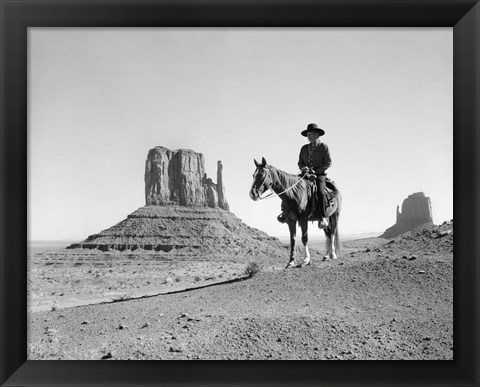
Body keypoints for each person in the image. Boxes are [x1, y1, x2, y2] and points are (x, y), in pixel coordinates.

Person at [277, 123, 332, 228]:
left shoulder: (323, 147)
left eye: (310, 134)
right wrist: (303, 168)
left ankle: (322, 217)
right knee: (290, 188)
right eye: (307, 135)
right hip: (305, 174)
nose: (308, 136)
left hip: (319, 175)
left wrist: (316, 171)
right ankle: (284, 213)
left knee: (320, 192)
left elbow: (328, 162)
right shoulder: (304, 148)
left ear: (317, 135)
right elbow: (300, 162)